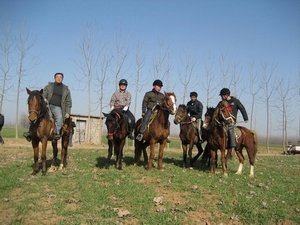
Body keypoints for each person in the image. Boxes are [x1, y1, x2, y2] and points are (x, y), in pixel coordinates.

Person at [23, 72, 72, 142]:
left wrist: (67, 112)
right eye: (57, 77)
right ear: (54, 78)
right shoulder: (48, 87)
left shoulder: (66, 90)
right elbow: (43, 93)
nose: (59, 78)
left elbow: (68, 102)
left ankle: (56, 133)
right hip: (47, 105)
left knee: (60, 118)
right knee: (34, 114)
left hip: (57, 107)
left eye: (60, 77)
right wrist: (44, 98)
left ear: (62, 79)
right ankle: (29, 132)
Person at [219, 88, 248, 157]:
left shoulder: (235, 101)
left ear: (226, 95)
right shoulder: (221, 102)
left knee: (230, 129)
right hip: (222, 121)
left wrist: (245, 118)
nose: (221, 97)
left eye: (222, 96)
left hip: (231, 121)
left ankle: (232, 147)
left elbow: (242, 108)